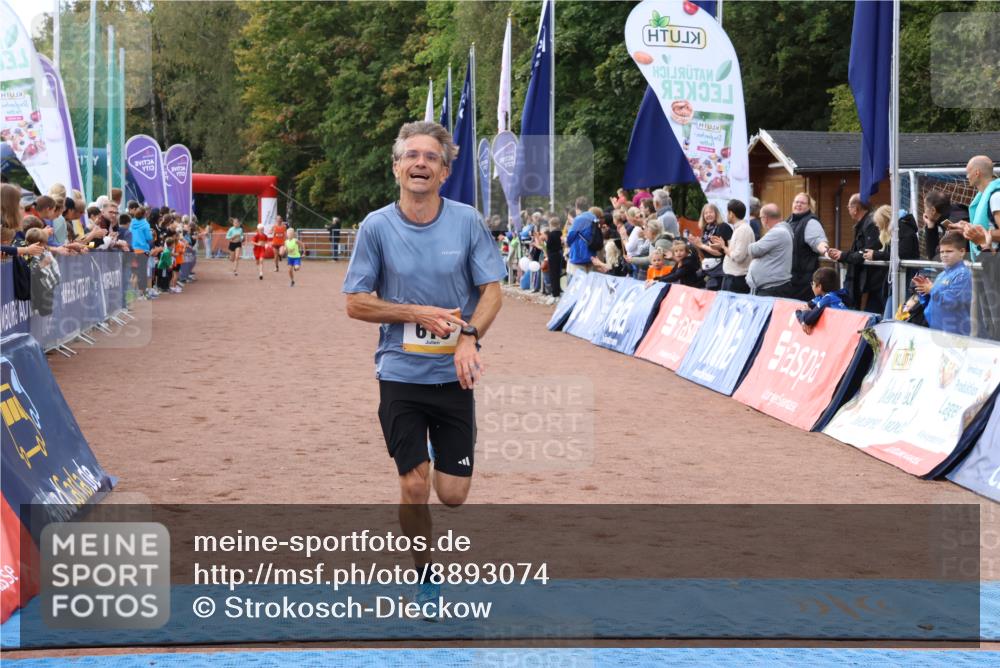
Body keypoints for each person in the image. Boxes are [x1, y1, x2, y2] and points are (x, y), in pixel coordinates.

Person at [343, 121, 505, 613]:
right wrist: (416, 313)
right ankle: (427, 575)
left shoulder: (467, 221)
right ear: (396, 167)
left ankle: (441, 445)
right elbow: (356, 302)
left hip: (454, 376)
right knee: (414, 484)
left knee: (452, 495)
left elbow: (493, 292)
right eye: (411, 155)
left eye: (430, 157)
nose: (420, 163)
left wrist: (468, 336)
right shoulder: (376, 226)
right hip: (399, 373)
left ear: (445, 170)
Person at [828, 194, 882, 311]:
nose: (848, 209)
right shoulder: (864, 223)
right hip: (865, 280)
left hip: (872, 281)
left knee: (870, 312)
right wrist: (842, 255)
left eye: (849, 207)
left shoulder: (870, 224)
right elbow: (860, 250)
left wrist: (843, 255)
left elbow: (867, 251)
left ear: (855, 209)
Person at [912, 231, 971, 336]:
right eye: (942, 252)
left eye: (949, 251)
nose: (944, 255)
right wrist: (924, 291)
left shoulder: (964, 274)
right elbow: (932, 301)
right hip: (936, 331)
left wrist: (931, 289)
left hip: (954, 334)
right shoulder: (941, 275)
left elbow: (952, 301)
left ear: (962, 252)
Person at [864, 205, 919, 315]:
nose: (876, 225)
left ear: (885, 221)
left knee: (891, 317)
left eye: (878, 222)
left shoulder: (903, 228)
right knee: (892, 316)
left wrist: (876, 255)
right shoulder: (897, 230)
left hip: (905, 279)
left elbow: (903, 253)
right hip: (898, 280)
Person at [787, 192, 831, 301]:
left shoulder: (811, 222)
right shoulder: (788, 221)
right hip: (790, 279)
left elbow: (818, 241)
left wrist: (826, 251)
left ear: (809, 206)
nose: (798, 204)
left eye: (802, 203)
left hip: (803, 281)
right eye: (796, 202)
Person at [746, 203, 793, 297]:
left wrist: (750, 246)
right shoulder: (779, 231)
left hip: (772, 288)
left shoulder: (778, 232)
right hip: (770, 287)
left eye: (760, 218)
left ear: (765, 218)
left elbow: (755, 250)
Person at [960, 155, 1000, 260]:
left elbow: (987, 231)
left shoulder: (996, 196)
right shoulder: (983, 197)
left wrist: (981, 234)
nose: (967, 176)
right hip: (988, 261)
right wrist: (968, 228)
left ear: (977, 173)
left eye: (968, 172)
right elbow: (989, 226)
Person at [714, 199, 754, 294]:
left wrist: (724, 247)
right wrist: (721, 245)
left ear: (731, 213)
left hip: (736, 279)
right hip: (733, 278)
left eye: (727, 212)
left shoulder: (743, 230)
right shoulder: (740, 229)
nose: (726, 215)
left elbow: (738, 256)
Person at [688, 203, 731, 290]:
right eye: (705, 213)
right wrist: (697, 245)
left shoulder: (722, 226)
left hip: (720, 271)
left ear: (716, 214)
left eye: (710, 212)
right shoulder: (706, 229)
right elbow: (704, 254)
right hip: (709, 268)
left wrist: (701, 245)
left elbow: (719, 253)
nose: (708, 215)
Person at [795, 267, 848, 334]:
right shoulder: (821, 297)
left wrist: (805, 313)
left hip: (843, 330)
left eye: (813, 284)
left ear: (819, 286)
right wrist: (803, 322)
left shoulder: (829, 298)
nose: (812, 286)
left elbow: (808, 319)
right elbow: (798, 310)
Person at [565, 196, 596, 278]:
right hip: (592, 252)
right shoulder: (594, 217)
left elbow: (570, 237)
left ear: (577, 207)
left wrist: (566, 241)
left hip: (580, 254)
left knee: (579, 282)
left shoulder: (578, 219)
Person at [921, 190, 952, 260]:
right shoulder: (946, 217)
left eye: (925, 207)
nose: (924, 211)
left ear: (933, 210)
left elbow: (934, 258)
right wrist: (930, 225)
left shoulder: (952, 224)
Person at [545, 217, 564, 300]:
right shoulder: (560, 233)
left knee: (553, 274)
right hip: (559, 254)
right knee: (558, 273)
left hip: (552, 255)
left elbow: (548, 245)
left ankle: (554, 293)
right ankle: (558, 291)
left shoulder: (551, 234)